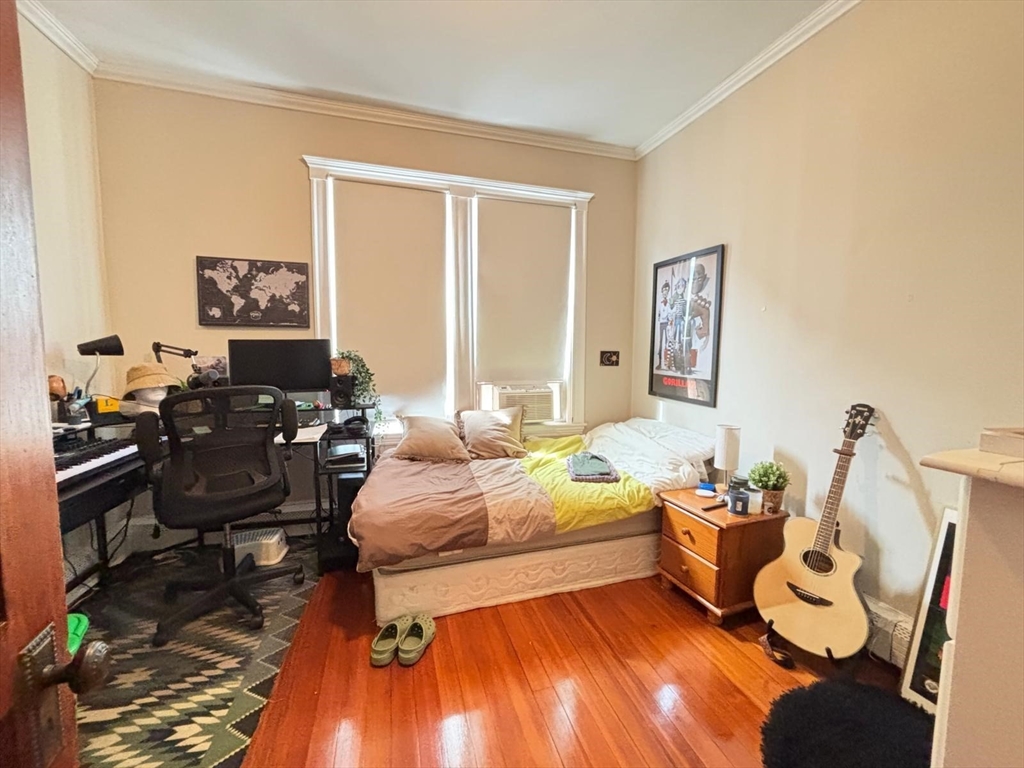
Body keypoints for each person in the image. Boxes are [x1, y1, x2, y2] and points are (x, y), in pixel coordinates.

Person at [657, 280, 672, 369]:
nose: (665, 293)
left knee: (667, 343)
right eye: (664, 291)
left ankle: (668, 363)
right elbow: (659, 314)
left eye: (666, 292)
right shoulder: (660, 303)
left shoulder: (669, 303)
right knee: (661, 343)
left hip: (667, 323)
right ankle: (660, 362)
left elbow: (670, 313)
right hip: (661, 324)